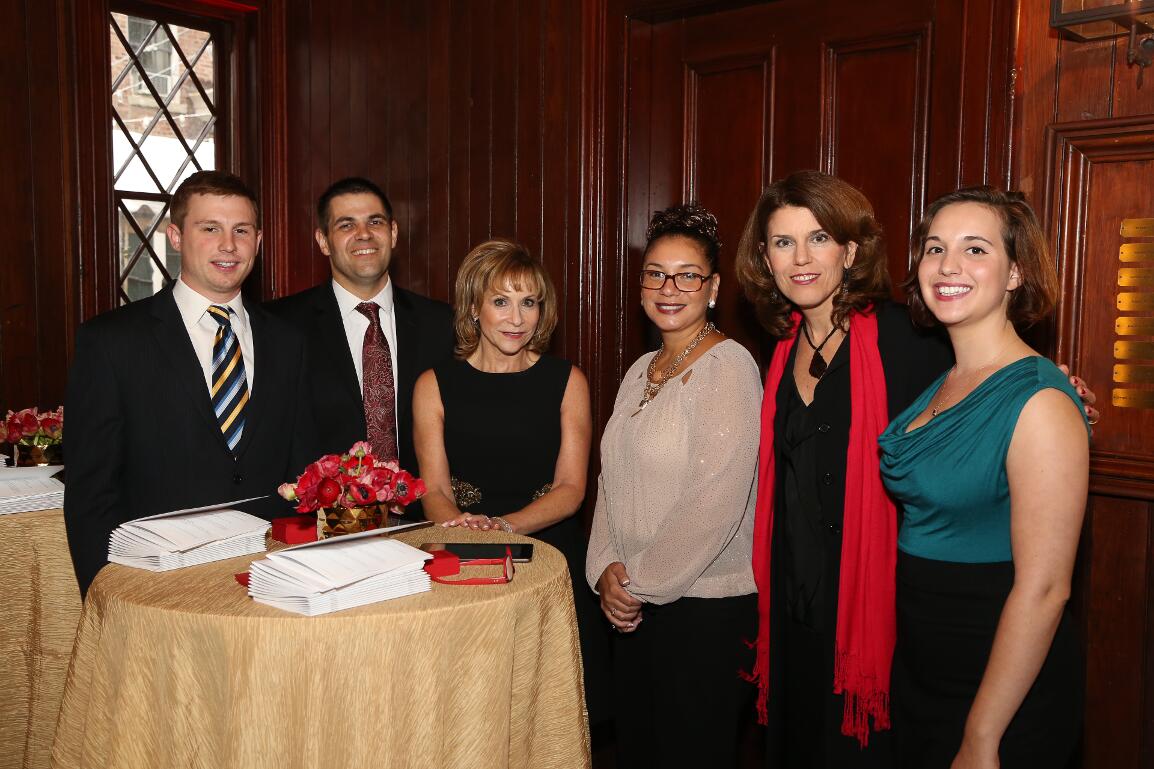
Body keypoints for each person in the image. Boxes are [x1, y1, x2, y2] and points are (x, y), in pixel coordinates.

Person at [732, 171, 1098, 769]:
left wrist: (1061, 395)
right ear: (765, 259)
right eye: (782, 242)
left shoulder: (907, 338)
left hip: (872, 623)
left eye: (819, 238)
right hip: (800, 614)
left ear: (851, 251)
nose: (800, 258)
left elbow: (1000, 386)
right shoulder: (778, 351)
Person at [878, 187, 1089, 769]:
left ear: (1016, 272)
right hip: (924, 671)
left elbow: (1046, 588)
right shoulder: (947, 379)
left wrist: (982, 735)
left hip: (1000, 688)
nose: (948, 266)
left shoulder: (1039, 400)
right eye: (935, 248)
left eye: (975, 249)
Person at [64, 170, 315, 596]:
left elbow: (302, 472)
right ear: (176, 236)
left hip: (270, 583)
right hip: (155, 586)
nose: (228, 245)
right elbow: (91, 492)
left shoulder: (289, 341)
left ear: (258, 241)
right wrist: (108, 595)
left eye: (241, 230)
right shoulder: (111, 342)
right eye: (210, 228)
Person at [586, 203, 760, 769]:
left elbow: (715, 500)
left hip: (703, 612)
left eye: (688, 276)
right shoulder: (641, 369)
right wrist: (605, 568)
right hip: (634, 607)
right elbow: (611, 481)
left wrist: (638, 582)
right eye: (656, 274)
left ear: (713, 288)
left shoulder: (729, 368)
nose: (669, 288)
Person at [411, 238, 607, 722]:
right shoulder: (433, 384)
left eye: (529, 302)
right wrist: (464, 533)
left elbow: (571, 489)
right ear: (473, 308)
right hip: (461, 563)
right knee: (470, 710)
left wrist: (503, 527)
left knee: (549, 713)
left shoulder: (568, 381)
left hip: (550, 561)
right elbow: (433, 489)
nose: (517, 318)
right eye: (501, 301)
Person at [268, 177, 454, 482]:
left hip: (424, 507)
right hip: (322, 508)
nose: (364, 234)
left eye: (375, 222)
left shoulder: (441, 324)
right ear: (323, 241)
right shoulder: (281, 326)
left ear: (393, 233)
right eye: (346, 225)